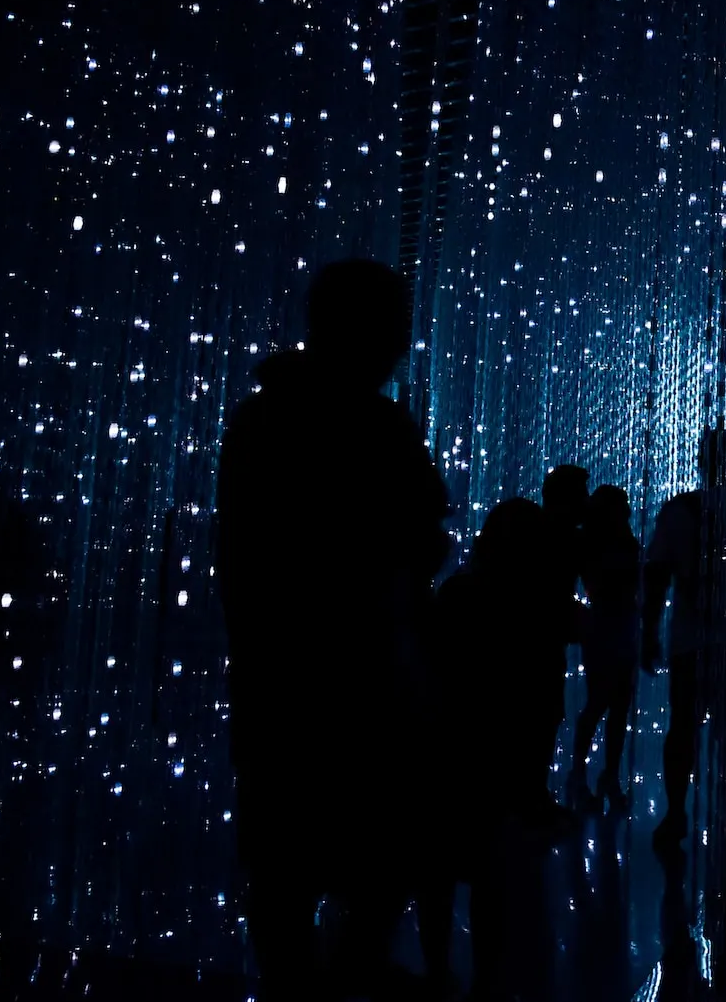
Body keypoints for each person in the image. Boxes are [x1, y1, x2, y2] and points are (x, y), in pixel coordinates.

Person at [216, 258, 449, 1000]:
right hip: (361, 679)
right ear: (371, 329)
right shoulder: (377, 428)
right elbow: (419, 541)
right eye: (397, 330)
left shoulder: (259, 418)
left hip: (277, 675)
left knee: (286, 859)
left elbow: (240, 557)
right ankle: (341, 973)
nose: (404, 347)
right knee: (372, 853)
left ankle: (303, 979)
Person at [421, 497, 555, 996]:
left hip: (449, 747)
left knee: (439, 868)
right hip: (491, 752)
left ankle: (441, 971)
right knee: (487, 873)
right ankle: (485, 980)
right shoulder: (529, 610)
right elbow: (531, 692)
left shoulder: (461, 594)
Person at [642, 427, 726, 854]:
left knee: (683, 727)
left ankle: (678, 812)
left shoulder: (680, 509)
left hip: (691, 641)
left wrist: (648, 631)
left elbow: (657, 575)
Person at [567, 484, 642, 811]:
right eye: (622, 504)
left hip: (618, 625)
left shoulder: (616, 540)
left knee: (616, 704)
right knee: (601, 701)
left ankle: (603, 775)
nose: (627, 509)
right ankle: (585, 775)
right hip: (607, 626)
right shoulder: (596, 542)